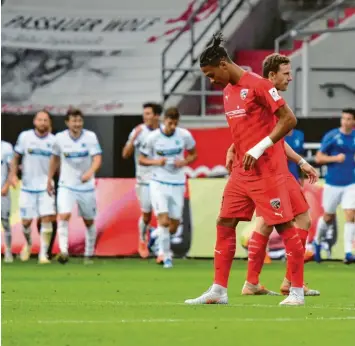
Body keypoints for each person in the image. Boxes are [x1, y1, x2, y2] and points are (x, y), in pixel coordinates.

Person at [184, 33, 304, 306]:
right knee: (224, 222)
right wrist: (233, 148)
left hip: (266, 171)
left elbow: (289, 119)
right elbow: (243, 130)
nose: (211, 81)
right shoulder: (227, 92)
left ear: (223, 65)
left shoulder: (260, 85)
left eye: (211, 74)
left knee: (285, 227)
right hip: (241, 171)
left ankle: (296, 292)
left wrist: (259, 147)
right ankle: (218, 290)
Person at [233, 53, 320, 296]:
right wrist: (301, 161)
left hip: (274, 169)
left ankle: (253, 282)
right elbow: (268, 140)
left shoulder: (260, 97)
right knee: (301, 219)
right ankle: (290, 282)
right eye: (286, 73)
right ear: (272, 75)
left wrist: (301, 161)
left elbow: (272, 139)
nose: (290, 78)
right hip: (273, 172)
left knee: (265, 223)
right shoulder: (266, 98)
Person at [138, 107, 197, 268]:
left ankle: (154, 235)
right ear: (164, 121)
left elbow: (193, 154)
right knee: (163, 221)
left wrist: (184, 162)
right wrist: (156, 162)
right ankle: (165, 256)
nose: (172, 126)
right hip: (158, 182)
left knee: (173, 226)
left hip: (177, 183)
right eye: (170, 123)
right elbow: (142, 159)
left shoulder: (184, 135)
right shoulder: (153, 137)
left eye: (175, 124)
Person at [47, 109, 102, 264]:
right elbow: (55, 159)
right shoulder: (60, 138)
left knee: (89, 221)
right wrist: (50, 179)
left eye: (79, 121)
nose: (77, 124)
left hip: (86, 186)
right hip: (66, 185)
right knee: (63, 215)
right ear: (67, 122)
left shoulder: (90, 137)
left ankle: (89, 254)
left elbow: (97, 159)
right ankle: (64, 251)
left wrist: (89, 172)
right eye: (74, 121)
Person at [11, 110, 56, 264]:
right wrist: (13, 175)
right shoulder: (25, 137)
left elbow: (57, 162)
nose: (42, 122)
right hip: (27, 186)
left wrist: (52, 179)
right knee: (26, 222)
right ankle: (29, 244)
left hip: (46, 186)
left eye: (45, 120)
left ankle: (43, 254)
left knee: (46, 218)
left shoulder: (54, 141)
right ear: (34, 122)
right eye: (40, 119)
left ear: (49, 122)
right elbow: (16, 157)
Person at [314, 108, 355, 264]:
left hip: (351, 183)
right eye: (343, 118)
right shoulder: (332, 136)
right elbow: (318, 158)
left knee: (351, 214)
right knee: (328, 216)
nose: (345, 121)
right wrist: (335, 158)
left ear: (353, 122)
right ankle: (317, 242)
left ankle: (348, 253)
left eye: (349, 119)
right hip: (332, 183)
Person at [122, 102, 162, 258]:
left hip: (161, 179)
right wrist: (133, 140)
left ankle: (160, 248)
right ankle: (142, 240)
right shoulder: (139, 131)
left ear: (157, 116)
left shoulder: (164, 131)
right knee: (146, 214)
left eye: (148, 114)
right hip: (144, 179)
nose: (145, 117)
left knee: (162, 215)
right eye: (144, 114)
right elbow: (125, 155)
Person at [1, 140, 14, 263]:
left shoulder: (6, 147)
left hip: (2, 191)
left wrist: (6, 185)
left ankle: (8, 250)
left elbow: (12, 168)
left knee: (5, 221)